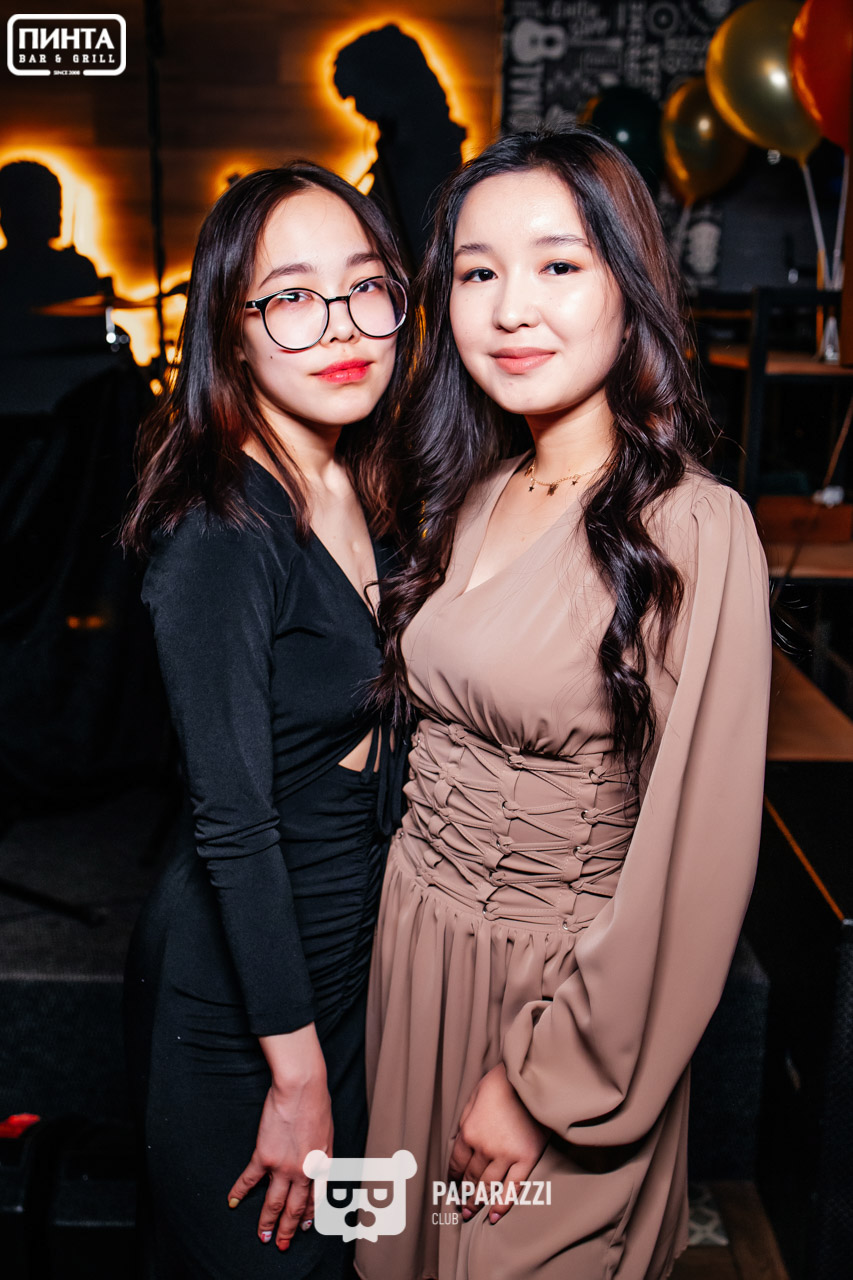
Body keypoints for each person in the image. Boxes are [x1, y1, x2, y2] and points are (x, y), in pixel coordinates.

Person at [355, 129, 771, 1280]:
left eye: (557, 264)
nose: (509, 307)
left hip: (562, 997)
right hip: (417, 954)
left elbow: (692, 859)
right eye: (477, 271)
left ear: (628, 287)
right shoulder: (475, 488)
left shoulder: (693, 526)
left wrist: (548, 1081)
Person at [121, 162, 408, 1279]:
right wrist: (295, 1080)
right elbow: (233, 825)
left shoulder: (353, 481)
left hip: (338, 973)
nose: (339, 325)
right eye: (290, 296)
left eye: (365, 285)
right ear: (230, 334)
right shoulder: (222, 531)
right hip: (247, 1012)